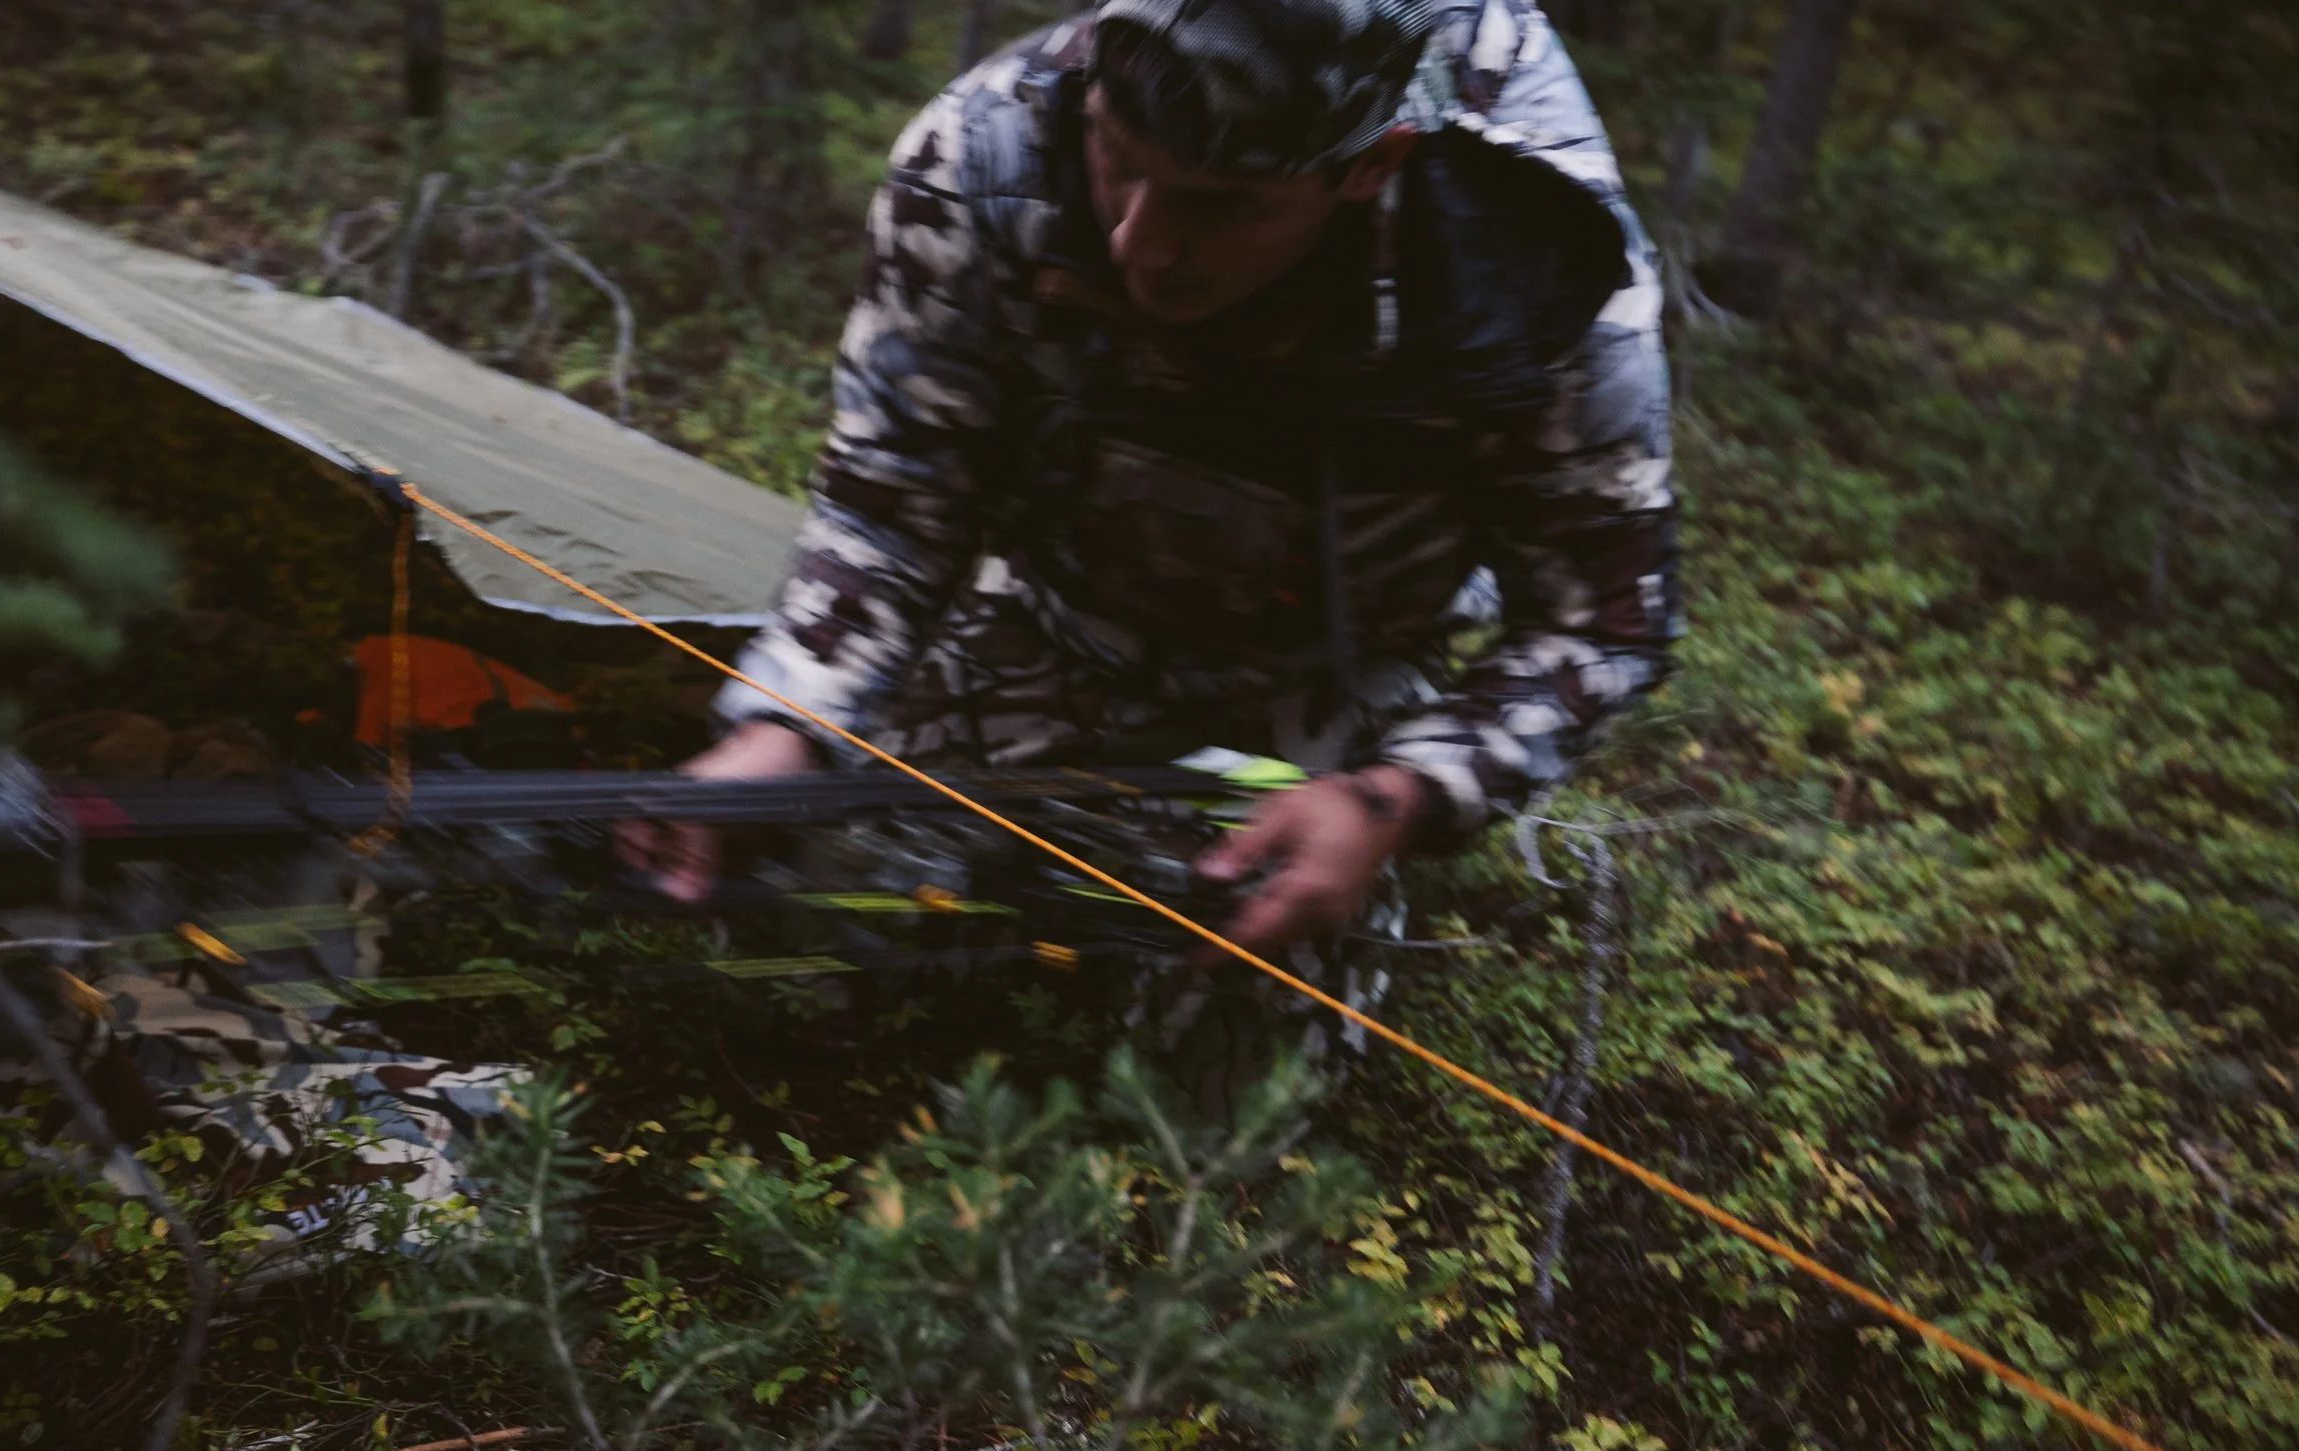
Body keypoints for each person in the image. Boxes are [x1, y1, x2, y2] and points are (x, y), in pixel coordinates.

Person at [628, 0, 1678, 967]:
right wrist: (788, 722)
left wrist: (1399, 794)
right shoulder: (981, 156)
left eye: (1222, 205)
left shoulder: (1538, 276)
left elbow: (1598, 622)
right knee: (811, 893)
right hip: (1063, 617)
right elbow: (898, 491)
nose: (1140, 240)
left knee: (1236, 977)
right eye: (1114, 159)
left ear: (1369, 167)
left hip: (1339, 667)